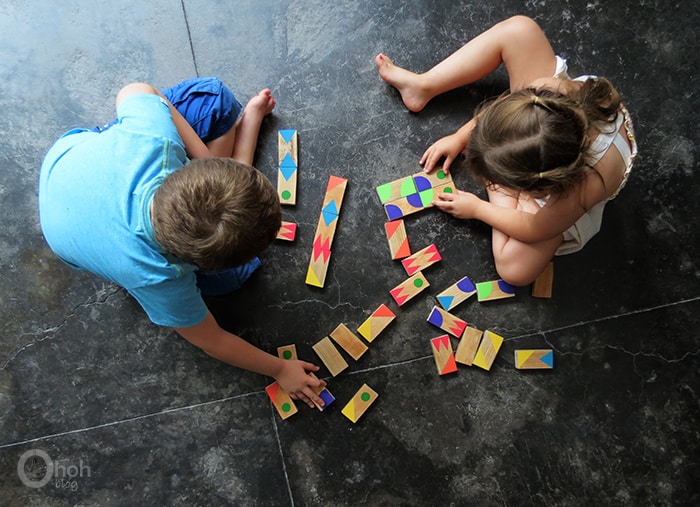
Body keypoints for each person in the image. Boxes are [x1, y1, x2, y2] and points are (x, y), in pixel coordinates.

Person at [39, 77, 325, 407]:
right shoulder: (159, 277)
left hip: (78, 164)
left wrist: (207, 163)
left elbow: (137, 89)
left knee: (215, 97)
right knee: (237, 276)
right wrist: (279, 368)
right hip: (77, 216)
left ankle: (234, 148)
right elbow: (213, 340)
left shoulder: (156, 140)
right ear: (197, 263)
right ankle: (241, 140)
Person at [376, 15, 637, 286]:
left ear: (537, 186)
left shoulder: (580, 189)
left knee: (515, 271)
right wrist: (459, 136)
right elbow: (510, 106)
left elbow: (535, 228)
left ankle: (500, 185)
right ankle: (423, 85)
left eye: (500, 180)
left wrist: (478, 208)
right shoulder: (544, 95)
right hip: (560, 125)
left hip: (571, 176)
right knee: (519, 30)